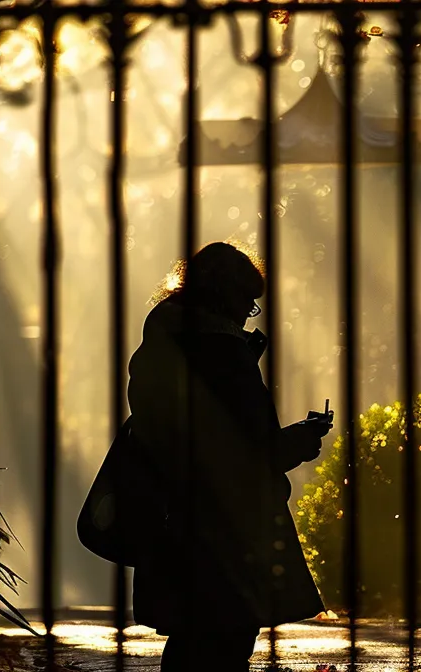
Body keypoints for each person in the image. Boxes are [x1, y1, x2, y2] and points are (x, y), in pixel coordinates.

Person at [127, 242, 330, 672]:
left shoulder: (163, 344)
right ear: (225, 296)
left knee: (190, 640)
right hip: (228, 531)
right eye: (246, 303)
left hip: (175, 516)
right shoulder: (223, 355)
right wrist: (301, 439)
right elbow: (248, 452)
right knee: (228, 638)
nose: (247, 314)